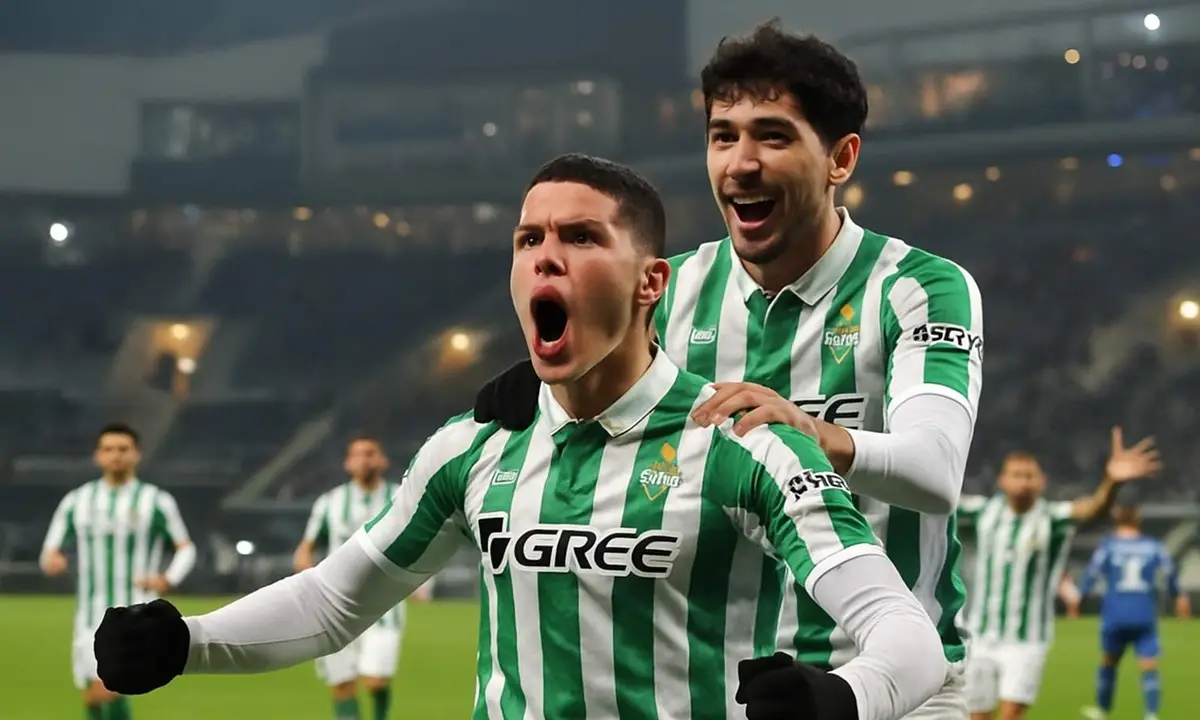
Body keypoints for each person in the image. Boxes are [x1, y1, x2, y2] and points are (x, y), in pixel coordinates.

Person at [93, 154, 946, 720]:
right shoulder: (473, 448)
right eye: (528, 239)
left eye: (581, 237)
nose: (546, 256)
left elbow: (908, 638)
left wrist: (842, 699)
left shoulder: (746, 444)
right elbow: (334, 601)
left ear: (651, 281)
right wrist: (185, 641)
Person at [474, 21, 983, 717]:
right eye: (723, 136)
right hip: (744, 686)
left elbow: (935, 471)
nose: (741, 163)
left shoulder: (916, 287)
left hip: (902, 684)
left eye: (773, 136)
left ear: (840, 158)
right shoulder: (670, 290)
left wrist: (809, 432)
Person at [956, 432, 1161, 720]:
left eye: (1029, 475)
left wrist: (1112, 483)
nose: (1023, 481)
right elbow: (939, 502)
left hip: (1028, 639)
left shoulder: (1052, 518)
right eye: (1016, 475)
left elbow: (1093, 508)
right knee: (976, 715)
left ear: (1042, 482)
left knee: (1011, 715)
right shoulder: (983, 513)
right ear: (1002, 481)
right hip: (980, 635)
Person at [40, 422, 196, 720]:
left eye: (123, 449)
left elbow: (186, 547)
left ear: (137, 454)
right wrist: (52, 560)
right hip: (88, 615)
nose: (116, 455)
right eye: (108, 449)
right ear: (97, 455)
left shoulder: (155, 501)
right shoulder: (77, 501)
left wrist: (168, 578)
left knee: (112, 686)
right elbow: (50, 550)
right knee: (94, 696)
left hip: (135, 611)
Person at [294, 435, 406, 720]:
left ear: (383, 460)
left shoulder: (401, 497)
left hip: (385, 606)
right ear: (347, 463)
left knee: (375, 681)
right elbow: (305, 550)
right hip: (337, 606)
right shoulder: (330, 502)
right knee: (342, 683)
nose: (364, 460)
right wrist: (311, 579)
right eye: (357, 454)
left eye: (370, 453)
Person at [1077, 502, 1189, 720]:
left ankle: (1102, 710)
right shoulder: (1153, 546)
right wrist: (1178, 596)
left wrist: (1080, 597)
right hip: (1144, 613)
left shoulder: (1108, 546)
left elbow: (1092, 573)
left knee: (1109, 661)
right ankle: (1151, 714)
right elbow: (1169, 572)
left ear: (1116, 521)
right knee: (1148, 664)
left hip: (1115, 613)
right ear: (1138, 521)